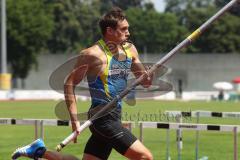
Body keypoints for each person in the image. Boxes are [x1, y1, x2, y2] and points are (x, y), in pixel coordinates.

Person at [12, 7, 153, 160]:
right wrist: (74, 120)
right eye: (124, 29)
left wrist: (149, 74)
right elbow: (69, 84)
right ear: (110, 31)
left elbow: (145, 82)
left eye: (128, 28)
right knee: (145, 157)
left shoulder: (130, 50)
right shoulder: (92, 55)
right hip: (102, 119)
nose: (128, 32)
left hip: (115, 115)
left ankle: (39, 150)